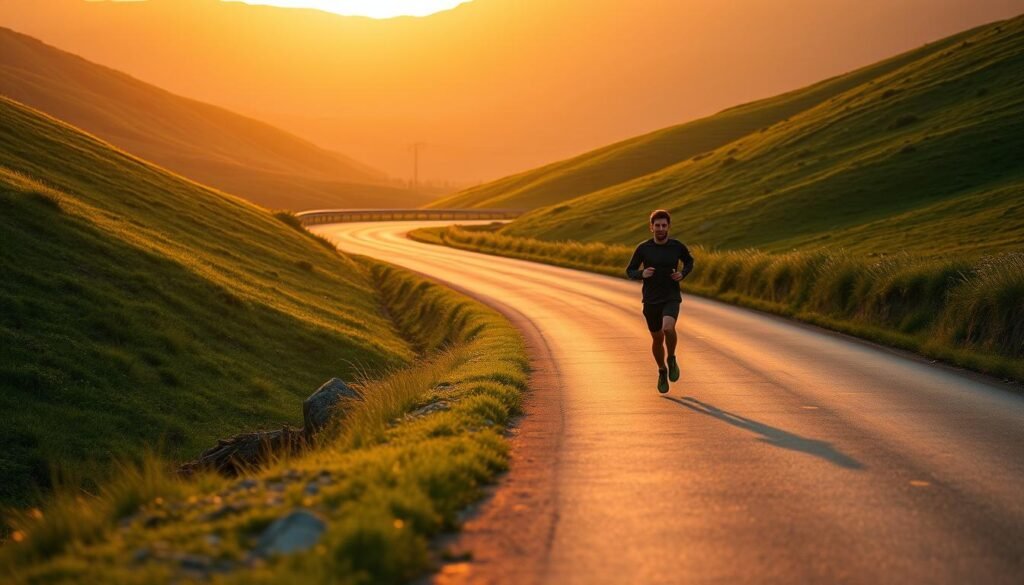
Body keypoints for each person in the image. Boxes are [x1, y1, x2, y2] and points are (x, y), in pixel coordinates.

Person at [625, 209, 695, 393]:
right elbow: (630, 270)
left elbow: (689, 262)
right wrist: (642, 273)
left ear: (669, 227)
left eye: (664, 225)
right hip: (650, 300)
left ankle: (671, 358)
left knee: (668, 328)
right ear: (651, 227)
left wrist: (682, 273)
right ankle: (662, 370)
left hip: (671, 296)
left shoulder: (677, 247)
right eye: (657, 225)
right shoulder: (643, 248)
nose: (661, 228)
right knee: (657, 338)